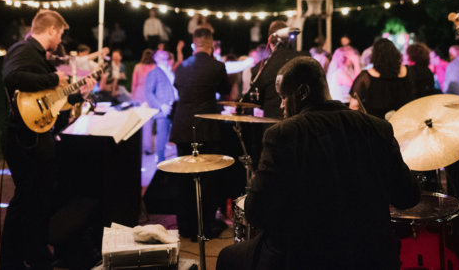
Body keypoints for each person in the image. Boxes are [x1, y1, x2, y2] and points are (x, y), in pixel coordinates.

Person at [216, 57, 420, 270]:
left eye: (284, 97)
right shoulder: (378, 128)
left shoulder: (284, 134)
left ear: (303, 93)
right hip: (375, 256)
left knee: (228, 257)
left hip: (308, 257)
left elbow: (256, 212)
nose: (281, 105)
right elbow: (408, 197)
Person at [0, 10, 95, 270]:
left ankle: (34, 253)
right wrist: (54, 78)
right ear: (51, 30)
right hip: (22, 137)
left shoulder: (40, 57)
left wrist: (79, 95)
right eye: (60, 33)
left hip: (37, 135)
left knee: (37, 200)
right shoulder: (23, 49)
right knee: (26, 200)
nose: (60, 39)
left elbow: (51, 101)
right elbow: (12, 76)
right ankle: (11, 260)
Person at [171, 27, 231, 238]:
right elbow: (225, 91)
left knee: (183, 180)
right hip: (207, 127)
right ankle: (204, 228)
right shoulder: (217, 66)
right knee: (207, 180)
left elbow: (179, 90)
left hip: (182, 127)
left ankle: (185, 227)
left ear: (193, 44)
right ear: (212, 44)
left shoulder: (180, 68)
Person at [247, 20, 304, 119]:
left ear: (270, 39)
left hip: (271, 126)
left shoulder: (261, 68)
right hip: (299, 125)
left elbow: (256, 100)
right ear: (289, 38)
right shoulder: (305, 60)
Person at [349, 38, 415, 119]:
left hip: (376, 126)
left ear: (375, 55)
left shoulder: (366, 76)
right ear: (395, 53)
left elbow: (354, 106)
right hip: (404, 123)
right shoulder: (408, 71)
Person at [144, 50, 176, 163]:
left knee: (171, 135)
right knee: (162, 136)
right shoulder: (154, 72)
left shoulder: (169, 71)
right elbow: (148, 92)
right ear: (156, 58)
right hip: (163, 109)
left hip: (174, 107)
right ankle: (160, 163)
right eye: (160, 54)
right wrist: (161, 106)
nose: (164, 55)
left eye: (165, 54)